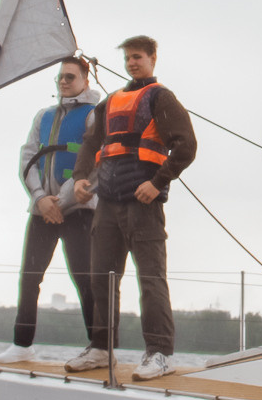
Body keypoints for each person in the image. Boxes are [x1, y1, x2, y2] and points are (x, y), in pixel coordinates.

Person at [68, 35, 196, 380]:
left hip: (143, 203)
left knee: (151, 279)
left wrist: (157, 183)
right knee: (102, 278)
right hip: (107, 203)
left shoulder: (161, 97)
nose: (132, 63)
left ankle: (160, 353)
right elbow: (91, 143)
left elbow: (186, 146)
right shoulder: (110, 102)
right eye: (128, 58)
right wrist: (81, 178)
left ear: (154, 57)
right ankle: (100, 347)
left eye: (138, 57)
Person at [0, 55, 101, 364]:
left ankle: (98, 346)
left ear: (86, 80)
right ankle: (22, 344)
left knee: (85, 278)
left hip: (79, 210)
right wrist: (41, 198)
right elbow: (27, 158)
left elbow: (96, 163)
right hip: (41, 210)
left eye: (70, 77)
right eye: (61, 77)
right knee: (29, 276)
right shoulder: (43, 116)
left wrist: (63, 201)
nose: (64, 82)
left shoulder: (94, 115)